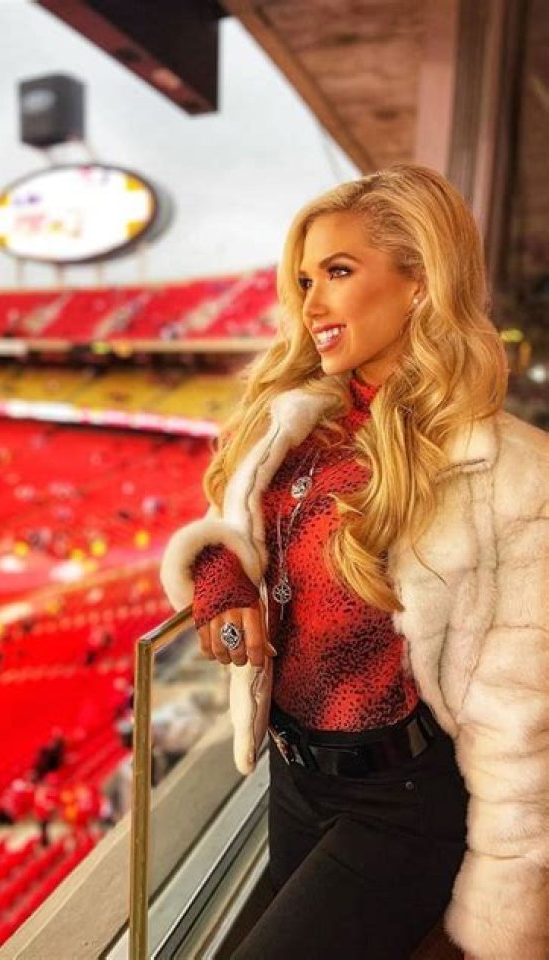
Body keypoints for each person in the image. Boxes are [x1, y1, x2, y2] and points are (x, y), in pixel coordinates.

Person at [160, 165, 549, 960]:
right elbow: (229, 527)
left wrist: (504, 915)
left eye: (338, 272)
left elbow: (523, 719)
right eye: (305, 280)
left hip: (404, 806)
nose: (310, 304)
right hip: (292, 780)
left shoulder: (514, 475)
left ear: (420, 282)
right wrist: (219, 574)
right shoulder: (295, 425)